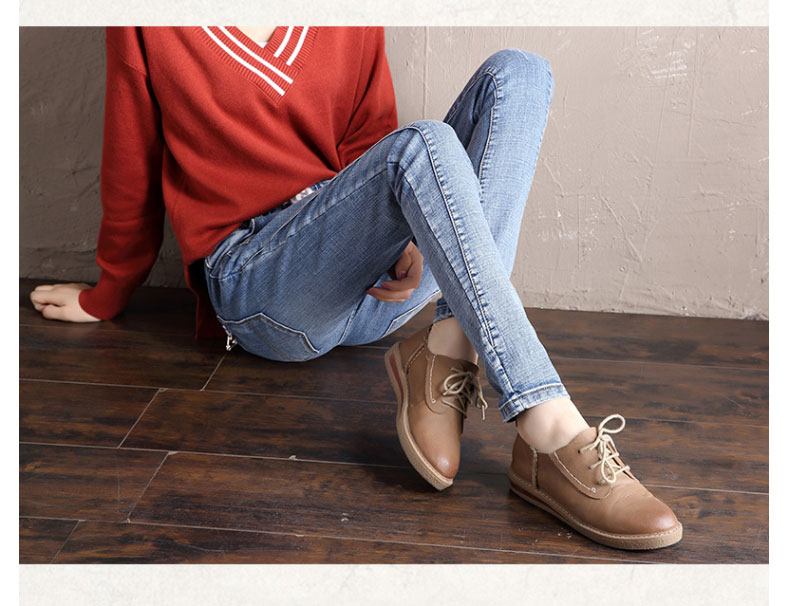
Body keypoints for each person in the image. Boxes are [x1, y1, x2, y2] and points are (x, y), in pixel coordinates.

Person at [29, 25, 682, 550]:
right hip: (266, 289)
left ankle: (445, 351)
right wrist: (109, 291)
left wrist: (405, 237)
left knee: (521, 74)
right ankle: (549, 426)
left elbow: (370, 140)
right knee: (422, 143)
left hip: (377, 285)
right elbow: (131, 157)